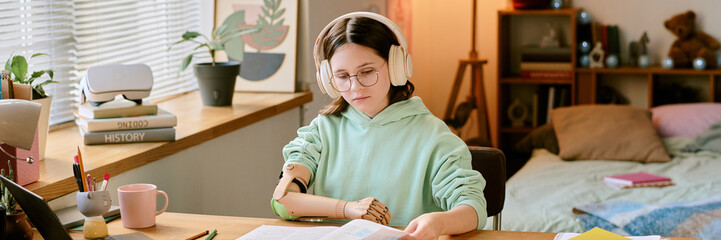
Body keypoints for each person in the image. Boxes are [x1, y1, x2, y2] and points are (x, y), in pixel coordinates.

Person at [270, 12, 487, 239]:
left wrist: (439, 222)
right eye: (342, 76)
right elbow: (283, 201)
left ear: (397, 66)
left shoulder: (434, 135)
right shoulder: (321, 132)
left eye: (367, 72)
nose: (355, 87)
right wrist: (348, 208)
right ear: (328, 79)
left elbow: (472, 208)